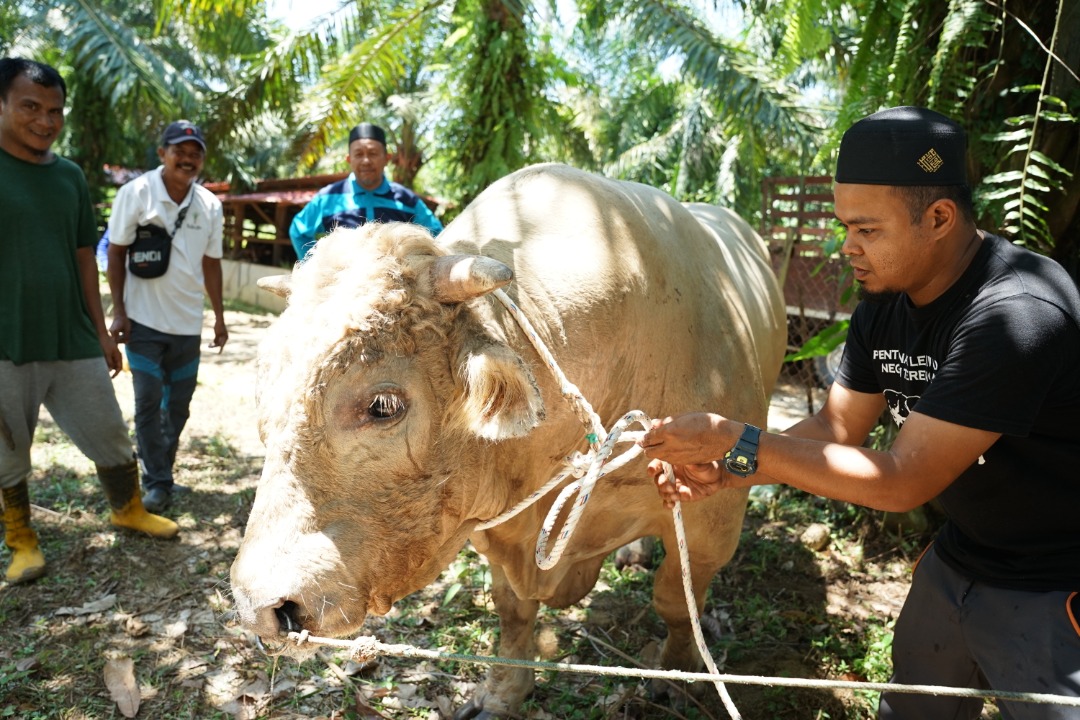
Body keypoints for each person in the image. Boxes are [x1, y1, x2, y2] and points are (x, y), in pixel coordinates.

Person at [640, 106, 1080, 719]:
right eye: (844, 225)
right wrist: (729, 467)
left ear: (939, 218)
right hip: (961, 554)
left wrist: (733, 438)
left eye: (867, 229)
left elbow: (902, 480)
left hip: (1054, 580)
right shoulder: (888, 299)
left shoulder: (1017, 313)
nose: (848, 246)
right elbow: (836, 427)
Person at [0, 57, 179, 584]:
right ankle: (22, 541)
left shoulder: (70, 177)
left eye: (55, 110)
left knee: (109, 432)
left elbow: (85, 257)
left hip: (71, 335)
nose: (45, 120)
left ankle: (128, 509)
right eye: (30, 106)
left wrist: (102, 333)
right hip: (6, 341)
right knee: (7, 449)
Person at [106, 120, 228, 514]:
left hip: (187, 324)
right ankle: (157, 482)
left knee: (177, 407)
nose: (187, 159)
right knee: (148, 402)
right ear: (163, 153)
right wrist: (119, 311)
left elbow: (212, 264)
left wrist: (219, 317)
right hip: (142, 322)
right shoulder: (136, 193)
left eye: (195, 154)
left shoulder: (210, 205)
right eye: (180, 151)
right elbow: (116, 253)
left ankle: (162, 473)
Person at [289, 122, 443, 260]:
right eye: (358, 154)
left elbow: (438, 235)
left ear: (386, 158)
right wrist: (312, 269)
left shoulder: (407, 200)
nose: (366, 161)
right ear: (349, 159)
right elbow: (298, 231)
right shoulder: (327, 198)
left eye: (373, 153)